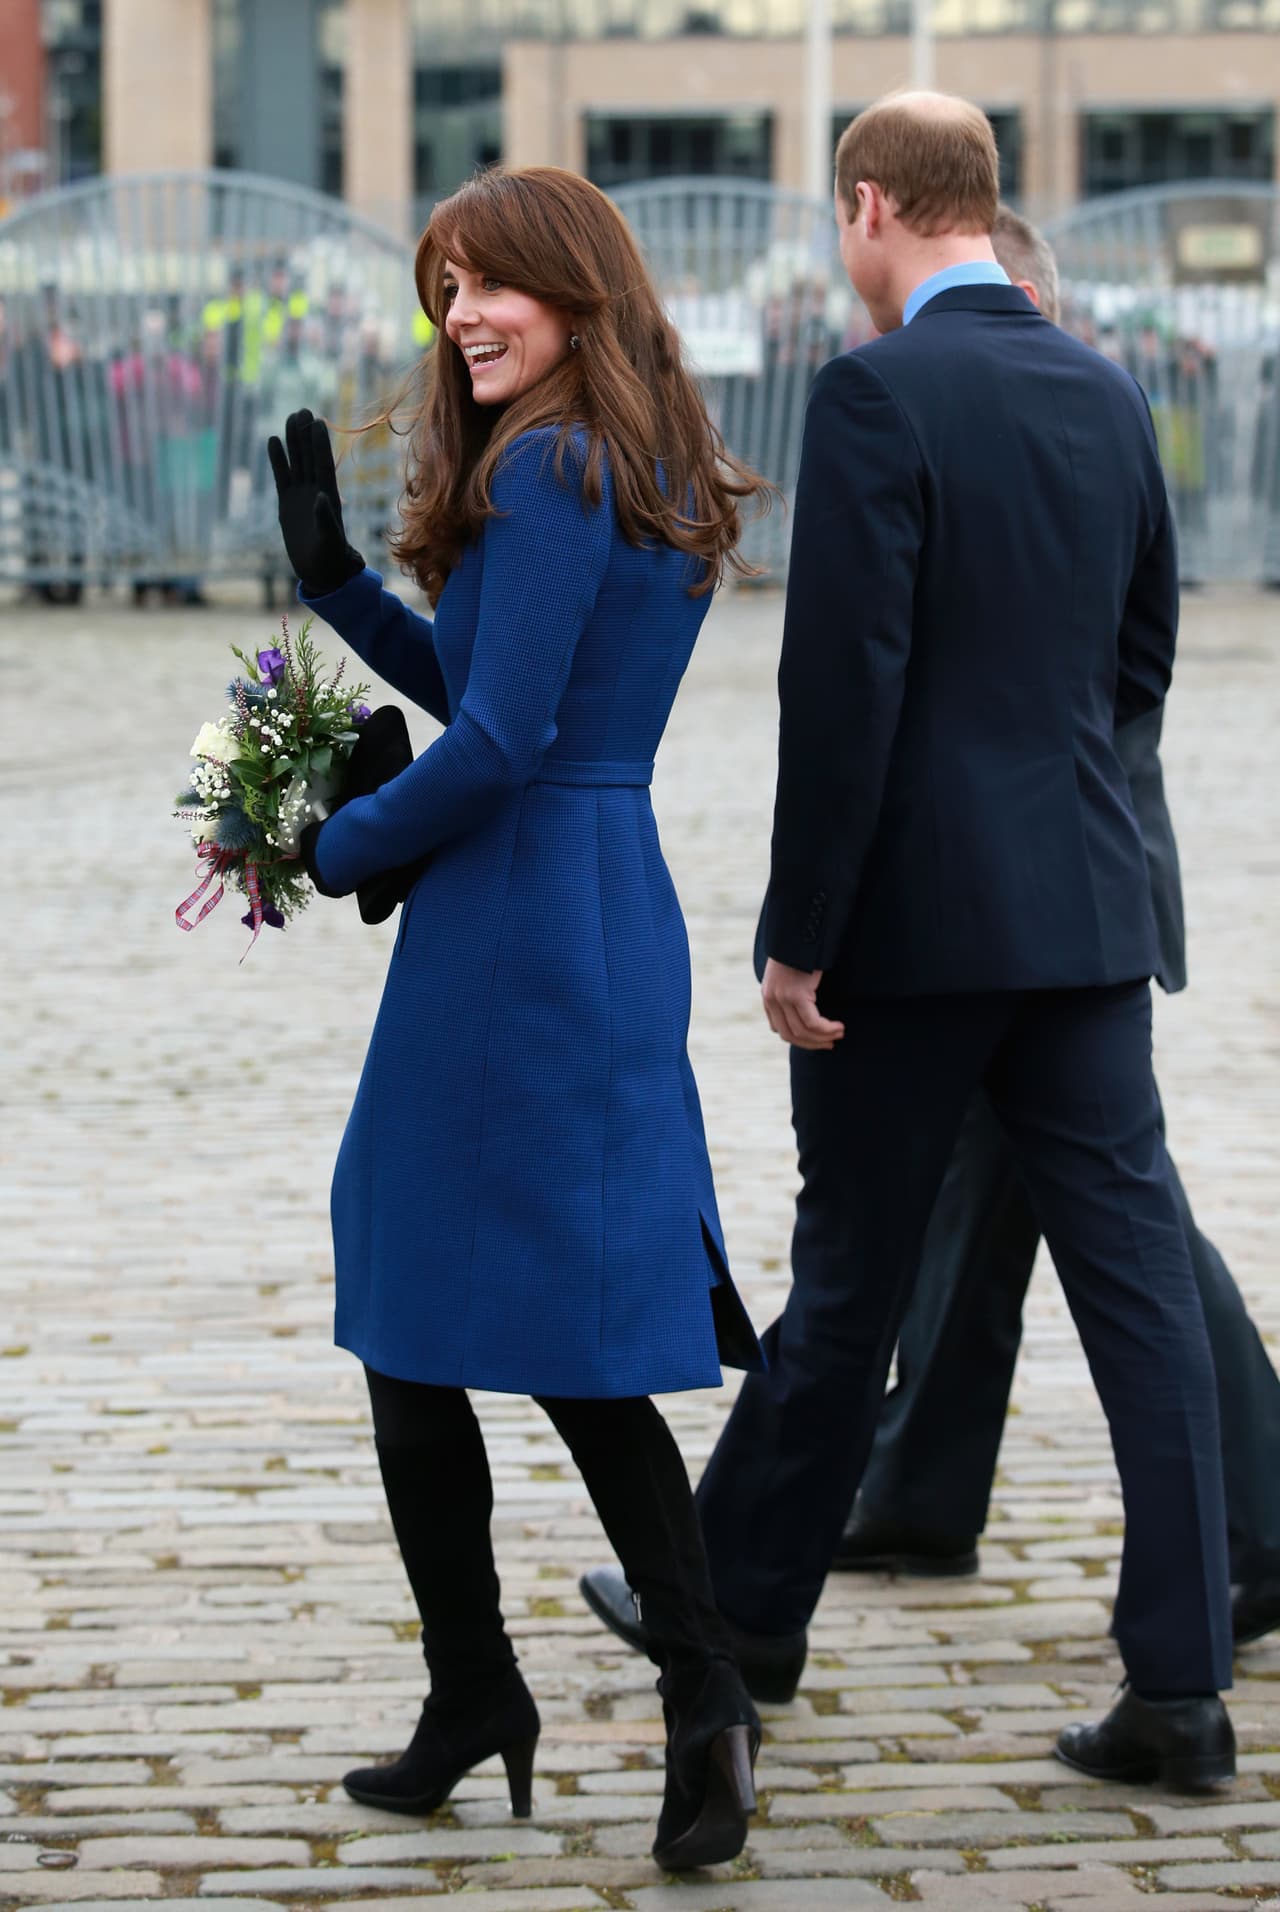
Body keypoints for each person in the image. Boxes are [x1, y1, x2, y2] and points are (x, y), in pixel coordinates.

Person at [582, 91, 1238, 1793]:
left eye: (839, 219)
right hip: (1084, 917)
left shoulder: (873, 393)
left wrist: (799, 938)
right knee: (1140, 1302)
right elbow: (1142, 660)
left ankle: (741, 1616)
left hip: (919, 934)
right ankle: (1180, 1687)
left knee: (847, 1281)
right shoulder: (1109, 389)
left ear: (873, 205)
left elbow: (843, 696)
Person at [266, 164, 771, 1871]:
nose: (462, 314)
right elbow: (512, 698)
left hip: (514, 923)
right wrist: (343, 589)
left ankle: (567, 1689)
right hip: (587, 896)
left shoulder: (552, 463)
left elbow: (493, 747)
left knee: (441, 1305)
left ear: (574, 290)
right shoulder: (624, 451)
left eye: (492, 284)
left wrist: (335, 846)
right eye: (446, 288)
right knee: (532, 1318)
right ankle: (622, 1696)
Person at [826, 209, 1280, 1647]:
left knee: (1135, 1229)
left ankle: (1266, 1522)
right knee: (984, 1202)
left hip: (1045, 892)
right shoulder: (1058, 415)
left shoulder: (1066, 416)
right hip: (1047, 884)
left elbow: (1127, 671)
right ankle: (919, 1484)